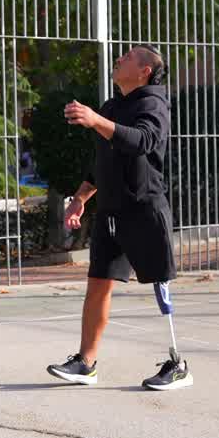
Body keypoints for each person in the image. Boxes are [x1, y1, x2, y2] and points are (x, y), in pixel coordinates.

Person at [45, 45, 192, 391]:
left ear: (144, 71)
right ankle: (86, 362)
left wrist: (96, 120)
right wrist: (81, 197)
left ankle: (179, 364)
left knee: (160, 283)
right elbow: (104, 163)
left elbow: (143, 140)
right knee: (98, 283)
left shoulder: (153, 104)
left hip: (144, 209)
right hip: (111, 213)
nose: (119, 58)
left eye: (127, 56)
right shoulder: (114, 106)